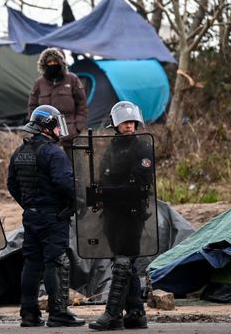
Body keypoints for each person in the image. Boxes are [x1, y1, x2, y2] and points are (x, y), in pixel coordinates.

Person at [7, 105, 85, 328]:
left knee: (32, 264)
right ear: (48, 127)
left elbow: (11, 184)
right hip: (53, 219)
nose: (61, 131)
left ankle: (28, 315)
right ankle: (58, 313)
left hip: (31, 217)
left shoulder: (20, 152)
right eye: (57, 126)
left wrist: (29, 204)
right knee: (55, 264)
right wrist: (78, 202)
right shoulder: (53, 153)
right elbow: (66, 183)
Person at [89, 101, 153, 331]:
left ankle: (113, 315)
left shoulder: (142, 148)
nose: (129, 126)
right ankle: (136, 312)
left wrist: (105, 193)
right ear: (116, 124)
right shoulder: (112, 147)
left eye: (132, 122)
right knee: (124, 264)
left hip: (132, 214)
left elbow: (140, 184)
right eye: (125, 122)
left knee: (124, 262)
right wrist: (95, 193)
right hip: (112, 214)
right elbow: (104, 177)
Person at [26, 47, 88, 159]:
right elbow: (32, 106)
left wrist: (77, 127)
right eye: (49, 62)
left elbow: (82, 105)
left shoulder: (72, 79)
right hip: (46, 135)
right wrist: (37, 128)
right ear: (44, 64)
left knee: (72, 168)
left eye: (55, 61)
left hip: (70, 135)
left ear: (62, 63)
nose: (52, 64)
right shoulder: (39, 83)